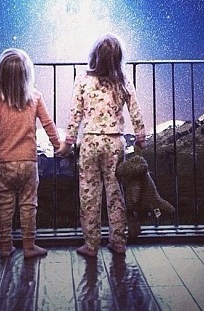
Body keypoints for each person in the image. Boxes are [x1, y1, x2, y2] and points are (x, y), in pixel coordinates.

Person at [56, 33, 146, 257]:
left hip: (90, 142)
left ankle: (91, 244)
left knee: (89, 193)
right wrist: (140, 135)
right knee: (115, 192)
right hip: (115, 143)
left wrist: (68, 141)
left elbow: (75, 114)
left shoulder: (83, 79)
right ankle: (118, 241)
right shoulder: (123, 80)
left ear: (94, 56)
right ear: (118, 58)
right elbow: (135, 109)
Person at [0, 48, 60, 259]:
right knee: (28, 204)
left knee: (4, 205)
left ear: (0, 73)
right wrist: (57, 145)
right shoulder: (35, 97)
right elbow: (48, 124)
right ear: (27, 74)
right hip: (28, 162)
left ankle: (5, 246)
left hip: (3, 162)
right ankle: (29, 246)